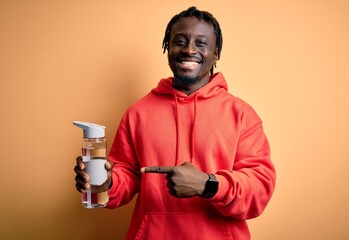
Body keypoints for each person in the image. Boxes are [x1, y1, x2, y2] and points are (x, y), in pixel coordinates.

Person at [74, 6, 276, 240]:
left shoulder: (241, 114)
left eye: (201, 43)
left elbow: (260, 189)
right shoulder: (137, 113)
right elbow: (127, 175)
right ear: (167, 48)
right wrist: (106, 183)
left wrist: (207, 184)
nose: (189, 49)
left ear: (216, 53)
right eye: (180, 41)